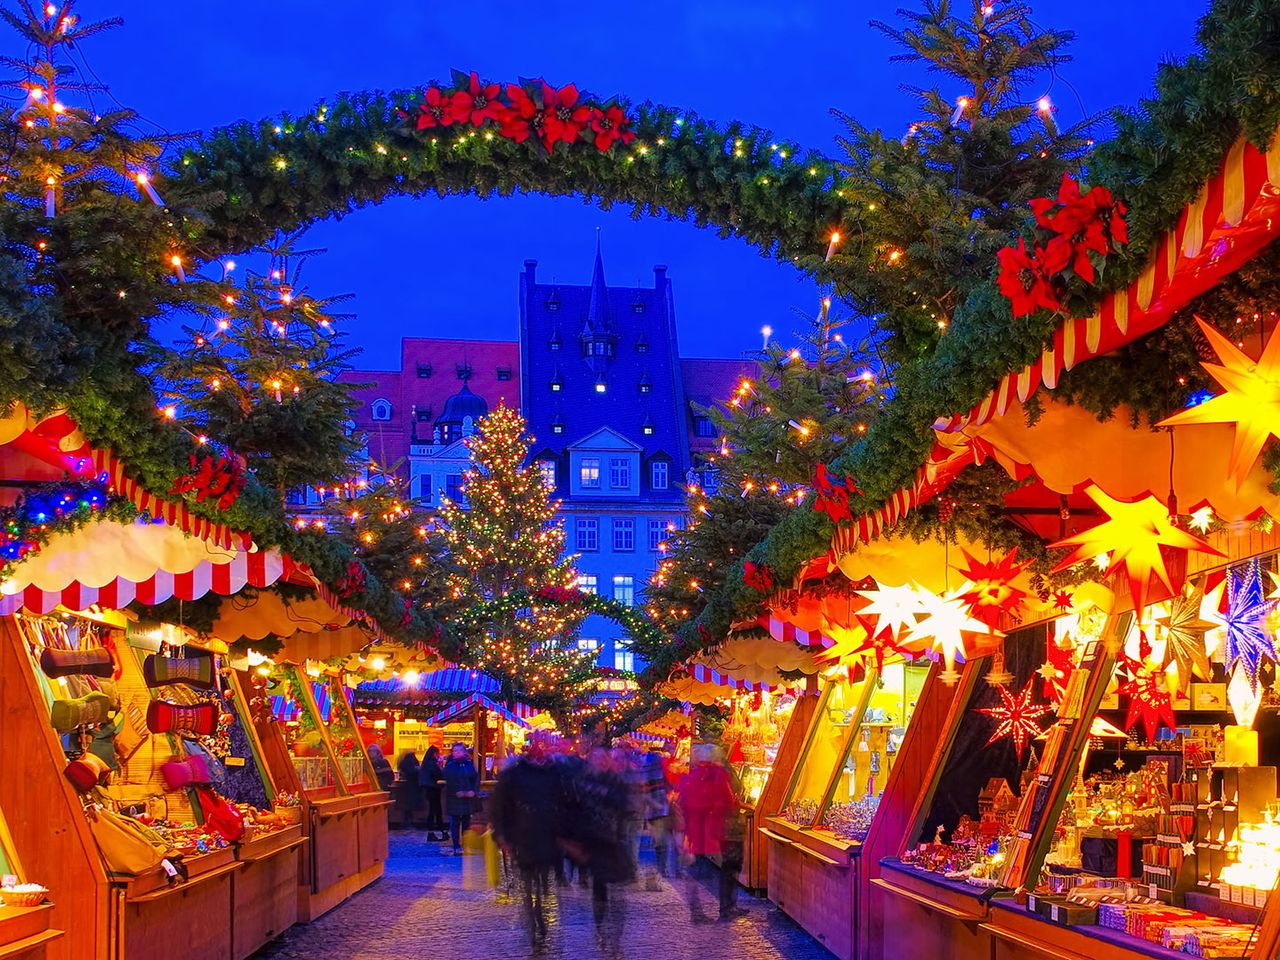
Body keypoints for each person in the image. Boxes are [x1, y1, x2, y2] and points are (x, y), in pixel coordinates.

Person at [490, 735, 568, 948]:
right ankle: (533, 916)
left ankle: (538, 911)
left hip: (540, 834)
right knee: (528, 879)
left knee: (538, 878)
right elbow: (500, 807)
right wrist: (502, 835)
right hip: (524, 835)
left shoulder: (551, 774)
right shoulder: (517, 775)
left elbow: (565, 804)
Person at [677, 742, 746, 922]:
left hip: (696, 829)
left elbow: (683, 801)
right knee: (730, 866)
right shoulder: (720, 774)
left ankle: (697, 910)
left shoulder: (693, 775)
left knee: (696, 870)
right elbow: (729, 800)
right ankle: (726, 907)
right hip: (719, 827)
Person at [576, 745, 630, 948]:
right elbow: (578, 809)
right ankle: (600, 927)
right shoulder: (584, 782)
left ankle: (616, 932)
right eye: (596, 759)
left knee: (617, 889)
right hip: (595, 842)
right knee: (599, 888)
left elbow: (624, 808)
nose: (600, 762)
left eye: (603, 759)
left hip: (614, 842)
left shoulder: (617, 782)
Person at [442, 742, 479, 855]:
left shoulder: (469, 764)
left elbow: (475, 778)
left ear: (464, 752)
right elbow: (449, 781)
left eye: (459, 751)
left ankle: (465, 845)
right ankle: (456, 845)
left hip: (467, 798)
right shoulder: (450, 765)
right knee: (455, 823)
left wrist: (473, 791)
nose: (456, 753)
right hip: (454, 798)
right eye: (455, 751)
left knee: (466, 823)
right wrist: (458, 792)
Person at [418, 745, 446, 841]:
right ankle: (436, 832)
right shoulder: (432, 764)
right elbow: (438, 775)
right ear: (434, 754)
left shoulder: (426, 763)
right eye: (438, 754)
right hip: (433, 788)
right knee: (435, 810)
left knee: (434, 810)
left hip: (429, 788)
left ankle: (437, 832)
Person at [396, 748, 420, 827]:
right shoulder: (412, 760)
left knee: (406, 806)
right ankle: (410, 821)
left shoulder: (403, 760)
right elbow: (414, 771)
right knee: (411, 805)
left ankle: (406, 821)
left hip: (405, 786)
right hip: (413, 785)